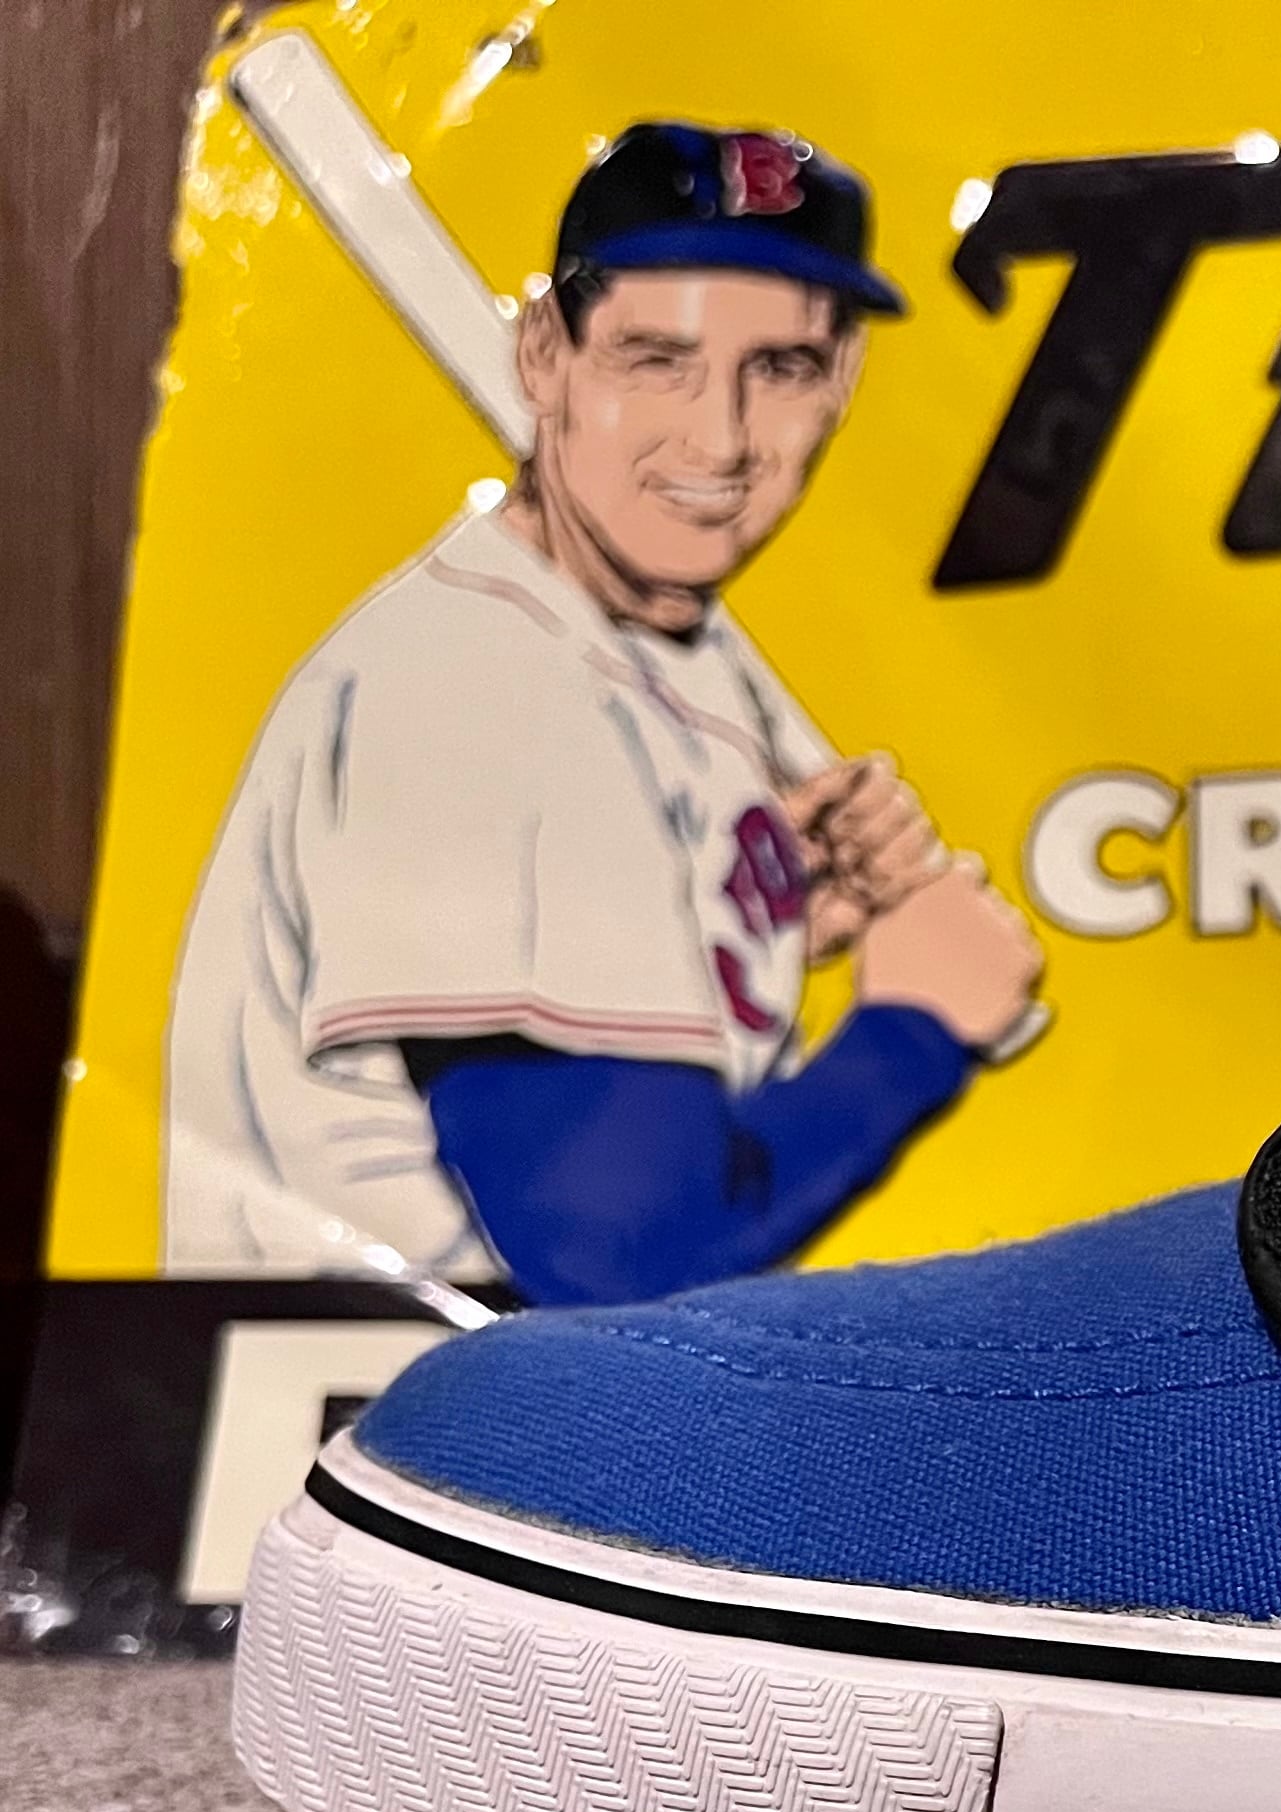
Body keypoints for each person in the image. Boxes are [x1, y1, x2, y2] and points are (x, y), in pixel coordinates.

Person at [162, 120, 1046, 1304]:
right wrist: (915, 1026)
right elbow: (620, 1254)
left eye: (780, 368)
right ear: (544, 353)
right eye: (656, 359)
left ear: (843, 379)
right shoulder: (471, 686)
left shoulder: (647, 633)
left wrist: (744, 920)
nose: (720, 438)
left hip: (499, 1375)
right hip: (393, 1387)